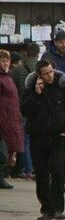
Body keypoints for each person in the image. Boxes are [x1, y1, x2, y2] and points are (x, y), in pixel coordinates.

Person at [21, 60, 65, 220]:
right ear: (39, 75)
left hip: (58, 136)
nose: (50, 75)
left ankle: (58, 208)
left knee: (59, 171)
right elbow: (25, 110)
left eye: (51, 71)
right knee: (41, 173)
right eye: (46, 73)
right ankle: (46, 208)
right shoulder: (31, 88)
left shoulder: (62, 85)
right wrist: (36, 95)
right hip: (38, 136)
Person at [10, 43, 37, 180]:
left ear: (26, 53)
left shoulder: (18, 70)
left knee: (25, 140)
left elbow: (13, 88)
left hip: (22, 108)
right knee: (38, 139)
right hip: (38, 110)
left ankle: (28, 169)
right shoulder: (41, 68)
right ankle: (37, 168)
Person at [0, 50, 24, 189]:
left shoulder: (8, 77)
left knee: (7, 150)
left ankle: (2, 176)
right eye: (3, 60)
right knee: (3, 152)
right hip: (3, 118)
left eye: (7, 60)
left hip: (10, 118)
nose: (6, 63)